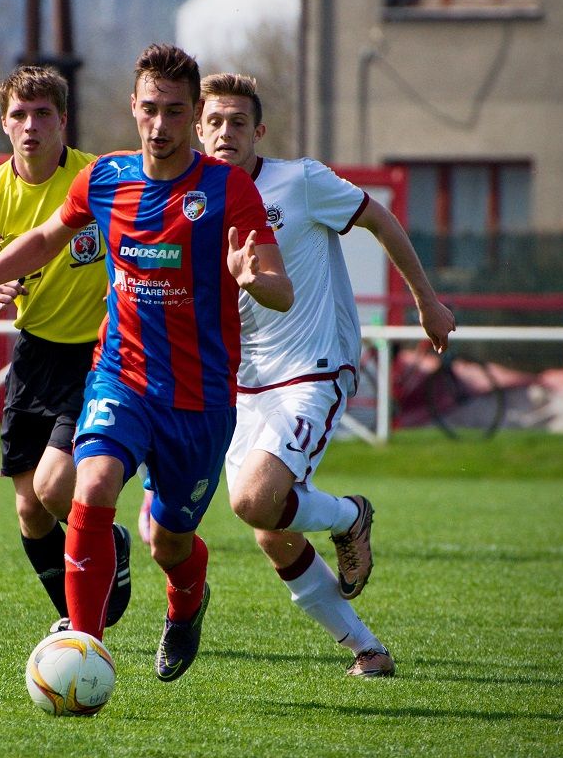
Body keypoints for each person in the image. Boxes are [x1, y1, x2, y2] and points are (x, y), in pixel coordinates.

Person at [0, 44, 293, 683]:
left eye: (176, 113)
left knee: (169, 541)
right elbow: (48, 237)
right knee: (91, 483)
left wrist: (252, 278)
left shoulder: (227, 190)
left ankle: (187, 600)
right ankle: (84, 648)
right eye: (150, 109)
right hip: (119, 374)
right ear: (132, 107)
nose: (161, 126)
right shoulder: (105, 178)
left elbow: (280, 288)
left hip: (199, 398)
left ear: (193, 118)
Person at [195, 72, 456, 677]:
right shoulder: (194, 201)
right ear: (198, 130)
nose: (225, 132)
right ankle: (369, 650)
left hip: (314, 365)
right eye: (214, 122)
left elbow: (380, 219)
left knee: (256, 500)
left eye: (238, 122)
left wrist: (426, 300)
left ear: (259, 131)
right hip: (241, 382)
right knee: (270, 529)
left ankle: (348, 517)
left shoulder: (301, 181)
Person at [0, 66, 132, 635]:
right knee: (29, 509)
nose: (31, 126)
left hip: (99, 355)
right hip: (35, 355)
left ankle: (86, 609)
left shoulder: (99, 178)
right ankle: (76, 614)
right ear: (4, 123)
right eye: (19, 115)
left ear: (63, 121)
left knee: (53, 485)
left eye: (43, 113)